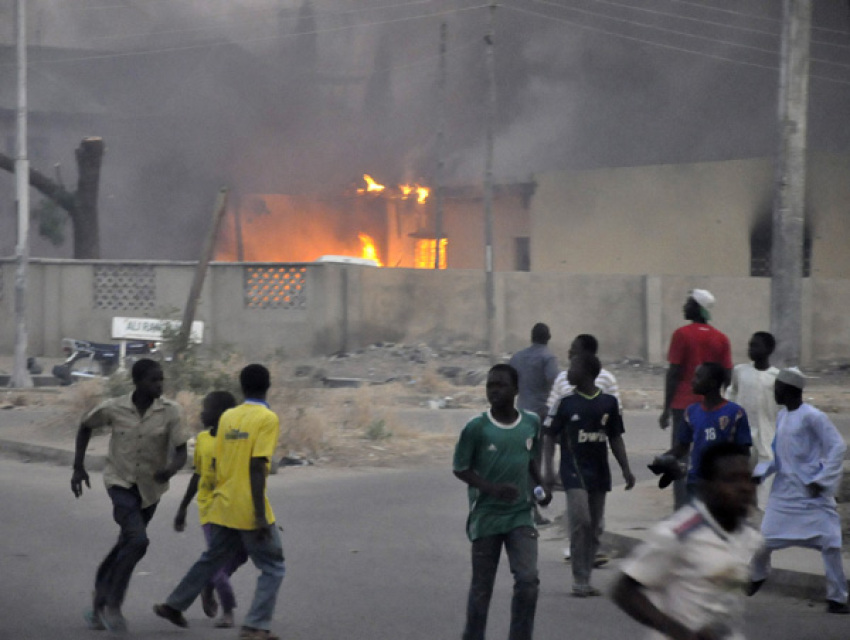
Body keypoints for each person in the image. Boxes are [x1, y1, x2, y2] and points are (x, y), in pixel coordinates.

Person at [154, 364, 286, 640]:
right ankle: (255, 625)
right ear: (268, 385)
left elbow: (220, 464)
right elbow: (255, 466)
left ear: (241, 386)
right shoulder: (267, 419)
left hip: (222, 504)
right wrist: (260, 515)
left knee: (212, 558)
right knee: (273, 567)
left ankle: (174, 604)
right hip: (248, 507)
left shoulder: (227, 418)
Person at [71, 358, 190, 634]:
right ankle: (113, 603)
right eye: (153, 380)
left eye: (162, 379)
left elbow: (182, 451)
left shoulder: (171, 412)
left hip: (150, 490)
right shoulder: (115, 407)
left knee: (127, 543)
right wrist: (78, 467)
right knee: (138, 540)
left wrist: (170, 470)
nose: (160, 384)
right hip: (120, 483)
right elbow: (85, 425)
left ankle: (98, 600)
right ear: (137, 382)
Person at [611, 442, 763, 640]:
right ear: (706, 487)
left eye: (748, 479)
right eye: (731, 480)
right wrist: (682, 633)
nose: (744, 488)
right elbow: (624, 590)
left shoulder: (749, 536)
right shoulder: (679, 534)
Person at [453, 363, 551, 640]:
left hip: (520, 514)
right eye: (490, 385)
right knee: (482, 588)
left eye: (500, 385)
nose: (494, 390)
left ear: (516, 390)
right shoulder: (476, 428)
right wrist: (492, 489)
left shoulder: (531, 422)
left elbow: (531, 457)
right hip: (486, 516)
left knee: (528, 581)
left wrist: (540, 485)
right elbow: (460, 468)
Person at [749, 367, 849, 614]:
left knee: (831, 543)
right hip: (784, 495)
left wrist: (823, 480)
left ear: (790, 390)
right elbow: (778, 456)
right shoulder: (782, 417)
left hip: (811, 494)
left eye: (778, 388)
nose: (775, 392)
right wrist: (759, 474)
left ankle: (838, 598)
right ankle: (757, 575)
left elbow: (837, 447)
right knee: (763, 541)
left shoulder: (813, 417)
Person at [543, 353, 635, 597]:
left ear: (586, 372)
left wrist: (625, 468)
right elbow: (549, 435)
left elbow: (615, 437)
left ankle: (586, 576)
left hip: (599, 472)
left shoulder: (608, 403)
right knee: (580, 520)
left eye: (573, 366)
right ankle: (578, 578)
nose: (568, 371)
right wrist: (548, 469)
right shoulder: (565, 403)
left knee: (594, 527)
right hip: (573, 471)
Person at [173, 390, 248, 629]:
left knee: (242, 554)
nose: (202, 413)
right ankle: (227, 609)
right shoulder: (203, 439)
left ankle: (210, 584)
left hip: (234, 506)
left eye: (207, 409)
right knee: (216, 558)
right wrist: (183, 506)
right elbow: (198, 474)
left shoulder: (235, 440)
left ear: (223, 415)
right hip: (210, 509)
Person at [544, 333, 621, 561]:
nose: (569, 354)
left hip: (596, 449)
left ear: (588, 355)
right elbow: (551, 412)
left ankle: (591, 547)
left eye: (574, 350)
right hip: (571, 451)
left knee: (595, 505)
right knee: (578, 504)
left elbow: (615, 419)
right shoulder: (562, 380)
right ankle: (577, 548)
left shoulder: (607, 380)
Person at [659, 289, 732, 509]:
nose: (684, 307)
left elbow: (674, 373)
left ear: (697, 308)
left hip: (683, 406)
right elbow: (728, 376)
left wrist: (665, 408)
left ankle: (681, 509)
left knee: (680, 457)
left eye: (688, 303)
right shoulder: (721, 339)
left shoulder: (681, 335)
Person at [659, 362, 751, 502]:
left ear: (712, 383)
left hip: (724, 485)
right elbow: (682, 447)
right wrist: (664, 459)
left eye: (698, 377)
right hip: (697, 482)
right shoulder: (691, 412)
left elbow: (744, 452)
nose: (693, 381)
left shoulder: (735, 413)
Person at [509, 322, 559, 525]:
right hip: (539, 414)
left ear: (531, 337)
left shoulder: (517, 357)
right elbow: (554, 381)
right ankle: (532, 510)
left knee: (520, 461)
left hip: (518, 414)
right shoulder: (548, 357)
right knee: (535, 464)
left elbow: (509, 383)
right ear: (548, 338)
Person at [726, 332, 779, 506]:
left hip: (767, 435)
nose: (751, 349)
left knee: (766, 478)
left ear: (769, 349)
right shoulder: (741, 371)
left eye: (756, 346)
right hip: (743, 434)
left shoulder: (776, 377)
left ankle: (764, 517)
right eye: (750, 345)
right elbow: (732, 393)